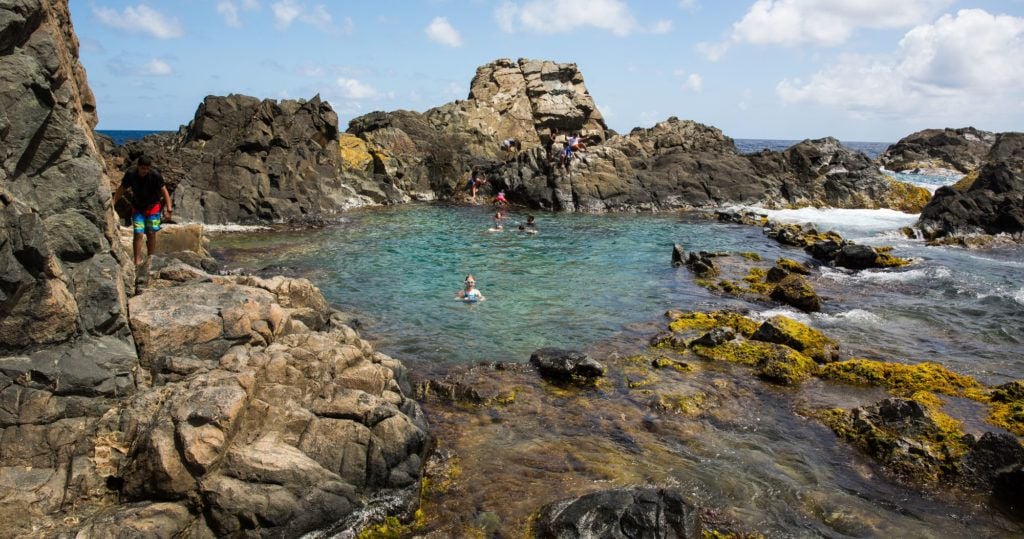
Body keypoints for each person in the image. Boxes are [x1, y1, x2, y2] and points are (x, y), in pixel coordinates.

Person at [113, 155, 172, 266]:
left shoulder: (155, 175)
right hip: (138, 208)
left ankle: (150, 258)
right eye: (142, 168)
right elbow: (121, 189)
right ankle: (137, 261)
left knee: (151, 233)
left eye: (146, 168)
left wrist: (169, 208)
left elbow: (164, 191)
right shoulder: (131, 174)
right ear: (138, 167)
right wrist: (112, 204)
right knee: (138, 233)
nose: (144, 171)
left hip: (153, 207)